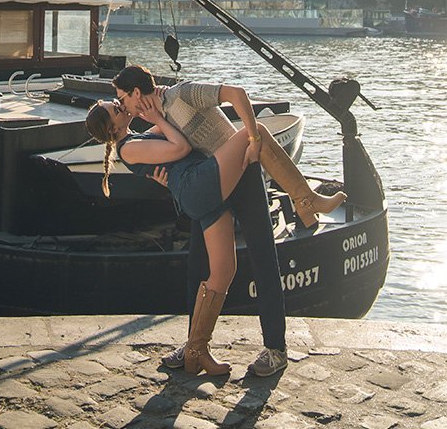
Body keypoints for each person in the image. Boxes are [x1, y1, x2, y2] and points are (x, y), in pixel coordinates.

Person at [112, 65, 346, 377]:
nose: (122, 105)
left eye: (122, 99)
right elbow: (165, 155)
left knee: (264, 258)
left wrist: (252, 139)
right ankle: (194, 345)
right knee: (197, 268)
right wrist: (163, 179)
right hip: (210, 183)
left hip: (243, 174)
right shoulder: (157, 121)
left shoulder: (182, 93)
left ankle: (275, 348)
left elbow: (236, 94)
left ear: (136, 94)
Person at [85, 94, 259, 375]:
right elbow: (181, 147)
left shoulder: (136, 138)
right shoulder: (128, 148)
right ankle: (304, 199)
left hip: (201, 185)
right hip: (200, 185)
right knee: (254, 133)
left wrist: (156, 112)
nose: (121, 106)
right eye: (116, 109)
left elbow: (169, 134)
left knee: (224, 271)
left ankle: (196, 350)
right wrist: (157, 120)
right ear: (112, 130)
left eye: (118, 102)